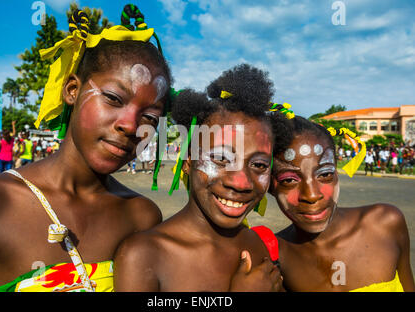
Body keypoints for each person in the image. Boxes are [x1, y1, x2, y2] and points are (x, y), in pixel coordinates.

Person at [0, 7, 172, 292]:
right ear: (72, 90)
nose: (130, 125)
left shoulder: (141, 216)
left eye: (149, 117)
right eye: (113, 98)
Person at [114, 64, 292, 291]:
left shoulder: (256, 246)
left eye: (258, 164)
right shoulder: (143, 256)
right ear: (188, 160)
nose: (241, 182)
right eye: (220, 159)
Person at [269, 116, 414, 291]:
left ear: (337, 174)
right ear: (269, 186)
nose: (312, 195)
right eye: (289, 180)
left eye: (324, 174)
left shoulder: (385, 223)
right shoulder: (273, 255)